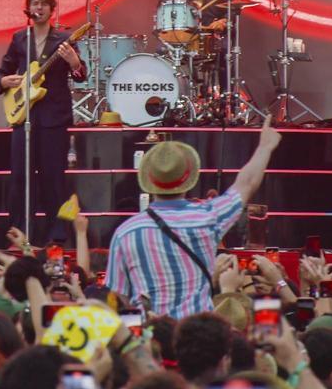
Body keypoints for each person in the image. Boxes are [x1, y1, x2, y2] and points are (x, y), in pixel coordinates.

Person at [106, 116, 280, 318]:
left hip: (150, 336)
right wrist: (265, 147)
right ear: (188, 178)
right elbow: (246, 184)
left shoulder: (126, 232)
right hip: (196, 335)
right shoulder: (207, 217)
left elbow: (117, 298)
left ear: (149, 180)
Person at [0, 0, 86, 241]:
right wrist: (5, 81)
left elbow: (81, 75)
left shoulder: (64, 40)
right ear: (28, 8)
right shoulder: (19, 38)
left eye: (44, 4)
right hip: (24, 116)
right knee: (20, 177)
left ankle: (57, 233)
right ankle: (20, 230)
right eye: (35, 3)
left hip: (53, 118)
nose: (39, 7)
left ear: (51, 9)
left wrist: (75, 63)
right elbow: (2, 72)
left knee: (53, 177)